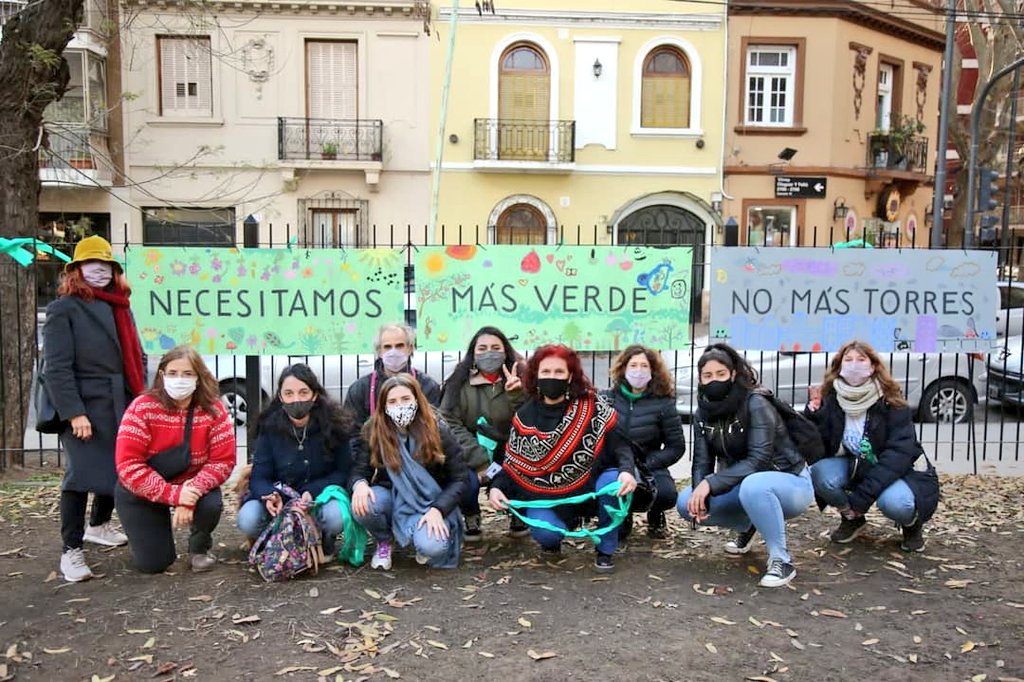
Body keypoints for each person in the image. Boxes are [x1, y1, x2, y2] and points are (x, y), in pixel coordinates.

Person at [42, 235, 146, 582]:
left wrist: (140, 395)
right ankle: (70, 551)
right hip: (83, 404)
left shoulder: (120, 305)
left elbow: (137, 355)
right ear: (76, 270)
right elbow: (55, 367)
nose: (99, 270)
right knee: (79, 477)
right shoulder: (64, 309)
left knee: (117, 468)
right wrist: (74, 413)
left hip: (120, 400)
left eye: (106, 265)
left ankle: (98, 526)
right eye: (91, 264)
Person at [488, 344, 637, 573]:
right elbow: (513, 464)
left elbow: (621, 445)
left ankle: (606, 549)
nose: (552, 377)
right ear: (536, 375)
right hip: (547, 495)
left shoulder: (592, 405)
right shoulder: (524, 416)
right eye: (546, 372)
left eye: (559, 372)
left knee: (612, 483)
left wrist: (627, 470)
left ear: (570, 377)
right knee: (546, 535)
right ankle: (559, 529)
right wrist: (496, 488)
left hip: (591, 486)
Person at [677, 343, 813, 588]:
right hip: (745, 484)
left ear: (733, 374)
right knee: (685, 502)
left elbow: (759, 459)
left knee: (755, 486)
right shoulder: (702, 412)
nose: (714, 380)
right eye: (707, 375)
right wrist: (700, 490)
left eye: (721, 374)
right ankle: (750, 524)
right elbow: (702, 461)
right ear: (700, 378)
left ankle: (782, 561)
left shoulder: (755, 402)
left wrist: (711, 483)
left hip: (788, 482)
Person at [805, 340, 940, 552]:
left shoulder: (891, 401)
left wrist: (862, 498)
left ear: (873, 366)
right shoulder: (832, 398)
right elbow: (818, 450)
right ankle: (851, 519)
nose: (854, 365)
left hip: (899, 471)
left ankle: (911, 525)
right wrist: (815, 415)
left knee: (895, 503)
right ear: (839, 366)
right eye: (848, 360)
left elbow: (898, 455)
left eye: (861, 359)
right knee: (820, 474)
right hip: (858, 464)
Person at [114, 346, 236, 574]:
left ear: (199, 378)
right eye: (173, 373)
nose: (179, 379)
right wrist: (173, 494)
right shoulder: (141, 408)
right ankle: (150, 532)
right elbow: (128, 465)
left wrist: (190, 493)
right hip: (142, 490)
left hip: (192, 484)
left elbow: (223, 461)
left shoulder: (214, 410)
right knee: (154, 565)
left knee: (211, 503)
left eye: (188, 374)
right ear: (162, 375)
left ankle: (198, 548)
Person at [350, 374, 469, 570]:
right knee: (364, 504)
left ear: (417, 400)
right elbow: (359, 469)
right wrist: (360, 484)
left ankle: (424, 535)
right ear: (384, 406)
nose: (400, 406)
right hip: (393, 495)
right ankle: (385, 541)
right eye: (393, 401)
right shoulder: (375, 430)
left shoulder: (437, 429)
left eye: (406, 399)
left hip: (432, 500)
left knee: (433, 546)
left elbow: (460, 478)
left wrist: (438, 509)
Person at [237, 364, 354, 558]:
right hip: (281, 499)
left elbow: (343, 472)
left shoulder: (335, 425)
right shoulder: (269, 427)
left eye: (303, 392)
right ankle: (276, 541)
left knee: (336, 517)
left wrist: (313, 492)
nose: (296, 399)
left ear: (314, 395)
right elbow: (259, 477)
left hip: (319, 499)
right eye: (289, 394)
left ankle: (323, 538)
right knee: (247, 519)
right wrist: (270, 496)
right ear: (281, 397)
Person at [439, 326, 528, 541]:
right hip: (469, 449)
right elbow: (449, 421)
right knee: (465, 480)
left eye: (496, 347)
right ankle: (471, 514)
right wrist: (479, 460)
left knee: (521, 472)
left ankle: (518, 513)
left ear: (506, 352)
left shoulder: (521, 379)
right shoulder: (458, 383)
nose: (490, 353)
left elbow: (529, 421)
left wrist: (517, 395)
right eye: (483, 348)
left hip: (510, 448)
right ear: (473, 353)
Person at [603, 344, 685, 539]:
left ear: (652, 371)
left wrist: (648, 464)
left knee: (665, 495)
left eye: (644, 366)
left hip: (650, 464)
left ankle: (656, 513)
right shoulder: (607, 399)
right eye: (633, 365)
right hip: (617, 465)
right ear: (623, 368)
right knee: (614, 488)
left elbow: (676, 446)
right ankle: (624, 515)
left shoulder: (664, 403)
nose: (638, 371)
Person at [343, 323, 442, 426]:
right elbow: (352, 434)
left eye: (399, 346)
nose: (393, 352)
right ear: (379, 351)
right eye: (387, 347)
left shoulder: (427, 386)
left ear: (410, 348)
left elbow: (434, 427)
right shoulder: (360, 389)